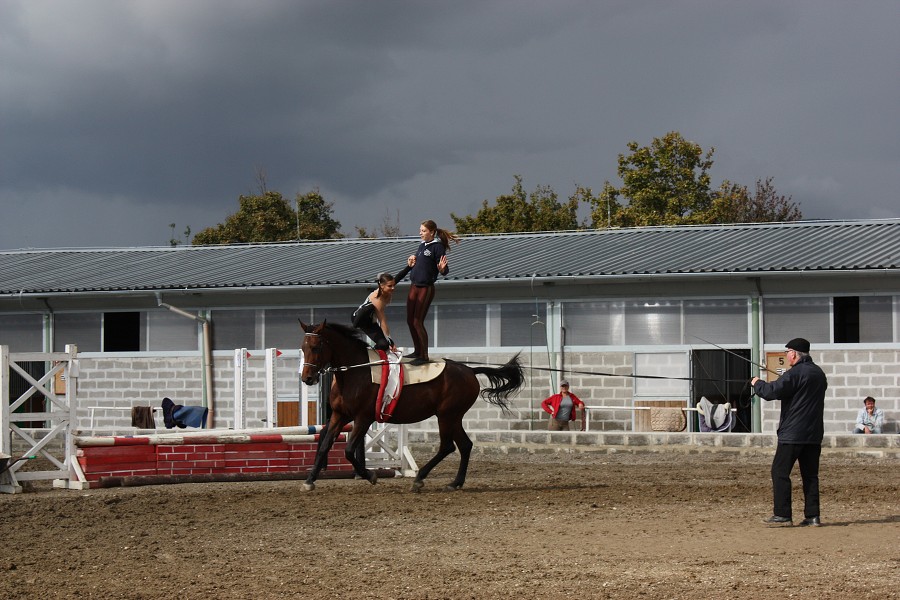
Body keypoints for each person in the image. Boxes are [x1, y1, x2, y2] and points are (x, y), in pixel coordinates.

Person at [751, 337, 828, 527]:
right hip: (814, 434)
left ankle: (783, 514)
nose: (786, 356)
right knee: (810, 476)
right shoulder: (819, 373)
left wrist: (757, 383)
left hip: (793, 433)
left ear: (793, 353)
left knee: (779, 472)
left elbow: (771, 392)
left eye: (787, 353)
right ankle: (813, 516)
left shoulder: (794, 373)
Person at [405, 219, 459, 365]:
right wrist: (411, 262)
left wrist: (442, 269)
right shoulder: (422, 245)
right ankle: (417, 350)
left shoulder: (437, 247)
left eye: (423, 230)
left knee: (417, 321)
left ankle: (424, 355)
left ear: (432, 232)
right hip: (414, 285)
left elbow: (444, 270)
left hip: (425, 287)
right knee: (410, 320)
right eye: (420, 230)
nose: (420, 233)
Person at [351, 265, 411, 352]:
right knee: (369, 307)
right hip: (359, 318)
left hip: (371, 321)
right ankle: (353, 328)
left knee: (384, 345)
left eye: (393, 285)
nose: (393, 288)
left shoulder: (387, 287)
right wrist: (391, 341)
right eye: (390, 286)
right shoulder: (377, 299)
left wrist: (409, 267)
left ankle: (370, 352)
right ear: (382, 286)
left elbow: (398, 277)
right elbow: (382, 322)